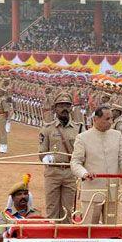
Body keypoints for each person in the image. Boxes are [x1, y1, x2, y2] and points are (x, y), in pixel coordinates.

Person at [71, 105, 122, 224]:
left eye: (111, 119)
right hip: (91, 190)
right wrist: (84, 173)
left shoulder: (117, 135)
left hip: (112, 190)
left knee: (110, 229)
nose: (111, 122)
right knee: (89, 229)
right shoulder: (83, 138)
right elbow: (75, 162)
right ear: (96, 119)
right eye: (107, 119)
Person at [39, 92, 83, 222]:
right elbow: (41, 152)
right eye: (60, 105)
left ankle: (65, 235)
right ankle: (51, 238)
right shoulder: (47, 129)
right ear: (55, 108)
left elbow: (83, 151)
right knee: (52, 208)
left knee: (67, 209)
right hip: (53, 172)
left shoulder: (79, 128)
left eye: (67, 105)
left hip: (70, 172)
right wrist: (47, 158)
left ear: (71, 108)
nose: (64, 108)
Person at [0, 174, 41, 242]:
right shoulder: (5, 216)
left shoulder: (36, 213)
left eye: (25, 194)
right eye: (19, 194)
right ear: (13, 198)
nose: (23, 196)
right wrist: (10, 232)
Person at [0, 88, 13, 153]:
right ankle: (1, 145)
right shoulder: (0, 99)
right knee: (0, 131)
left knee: (3, 131)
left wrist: (7, 118)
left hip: (2, 116)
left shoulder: (3, 100)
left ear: (2, 93)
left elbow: (6, 110)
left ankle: (4, 147)